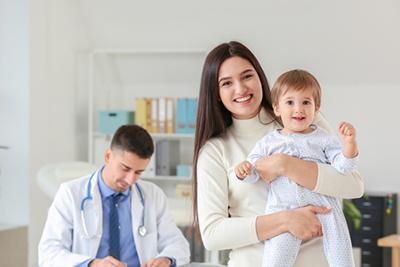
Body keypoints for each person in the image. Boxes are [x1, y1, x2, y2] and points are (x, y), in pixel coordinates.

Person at [192, 41, 364, 267]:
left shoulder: (302, 119)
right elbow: (213, 235)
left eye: (247, 76)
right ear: (216, 93)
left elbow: (354, 186)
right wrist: (285, 220)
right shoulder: (215, 150)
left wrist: (284, 164)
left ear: (260, 77)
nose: (241, 89)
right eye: (226, 83)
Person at [234, 69, 358, 267]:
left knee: (342, 257)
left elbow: (343, 167)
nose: (298, 109)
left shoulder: (324, 138)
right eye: (290, 102)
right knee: (276, 261)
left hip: (326, 209)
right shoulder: (269, 142)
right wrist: (245, 169)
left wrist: (349, 145)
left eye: (306, 102)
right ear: (277, 108)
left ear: (316, 108)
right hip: (285, 209)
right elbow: (255, 171)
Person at [39, 125, 190, 267]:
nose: (130, 180)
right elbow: (49, 253)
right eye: (125, 168)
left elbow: (178, 244)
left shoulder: (153, 195)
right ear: (108, 156)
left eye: (138, 172)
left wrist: (166, 259)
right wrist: (93, 264)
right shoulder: (70, 194)